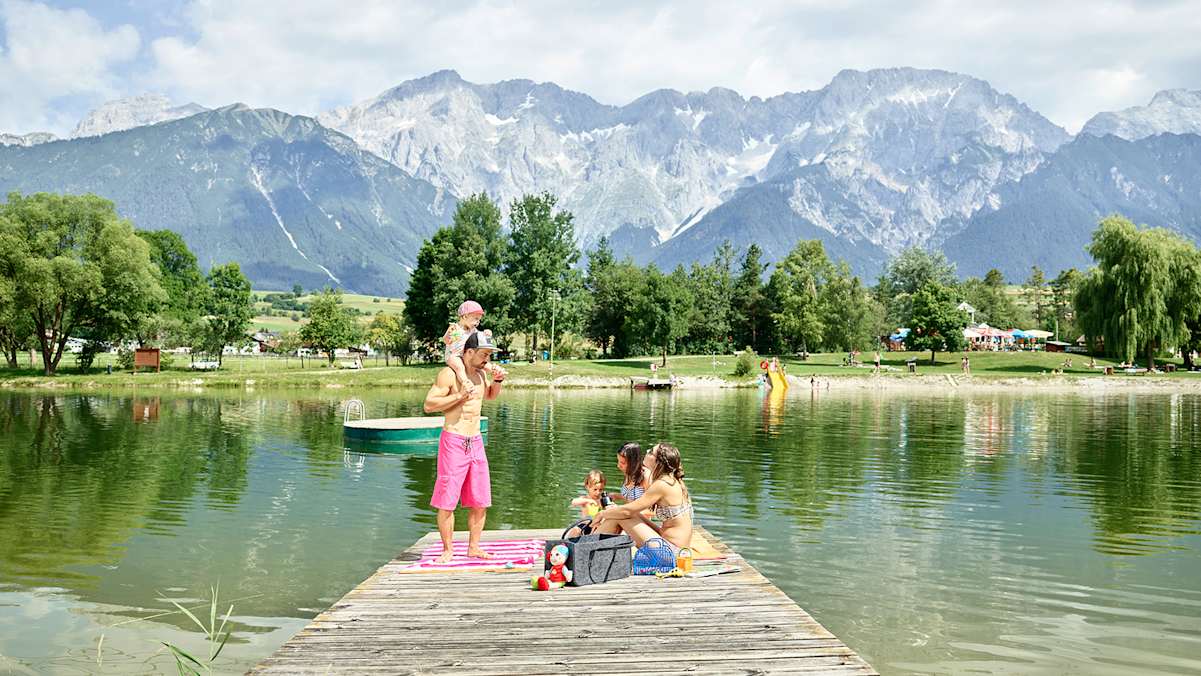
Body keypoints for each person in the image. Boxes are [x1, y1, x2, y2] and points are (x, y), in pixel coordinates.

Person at [423, 330, 505, 563]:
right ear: (469, 352)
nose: (487, 359)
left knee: (480, 500)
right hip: (454, 441)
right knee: (447, 500)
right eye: (484, 354)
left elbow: (489, 396)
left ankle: (474, 548)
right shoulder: (448, 374)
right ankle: (447, 550)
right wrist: (459, 396)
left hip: (476, 441)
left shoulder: (480, 375)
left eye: (489, 355)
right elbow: (429, 405)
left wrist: (497, 381)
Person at [592, 443, 693, 553]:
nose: (647, 451)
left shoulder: (662, 484)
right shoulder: (670, 480)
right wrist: (615, 510)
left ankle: (589, 547)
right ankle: (591, 546)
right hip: (668, 543)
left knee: (620, 516)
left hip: (671, 552)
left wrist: (601, 514)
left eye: (651, 452)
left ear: (658, 462)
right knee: (620, 514)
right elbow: (631, 511)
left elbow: (626, 512)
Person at [442, 300, 492, 397]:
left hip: (466, 356)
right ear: (465, 316)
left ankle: (494, 374)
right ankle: (466, 384)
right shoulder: (455, 328)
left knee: (485, 365)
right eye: (476, 318)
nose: (477, 322)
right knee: (459, 367)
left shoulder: (473, 330)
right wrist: (449, 333)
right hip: (454, 356)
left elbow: (480, 337)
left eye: (479, 320)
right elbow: (446, 341)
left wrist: (486, 333)